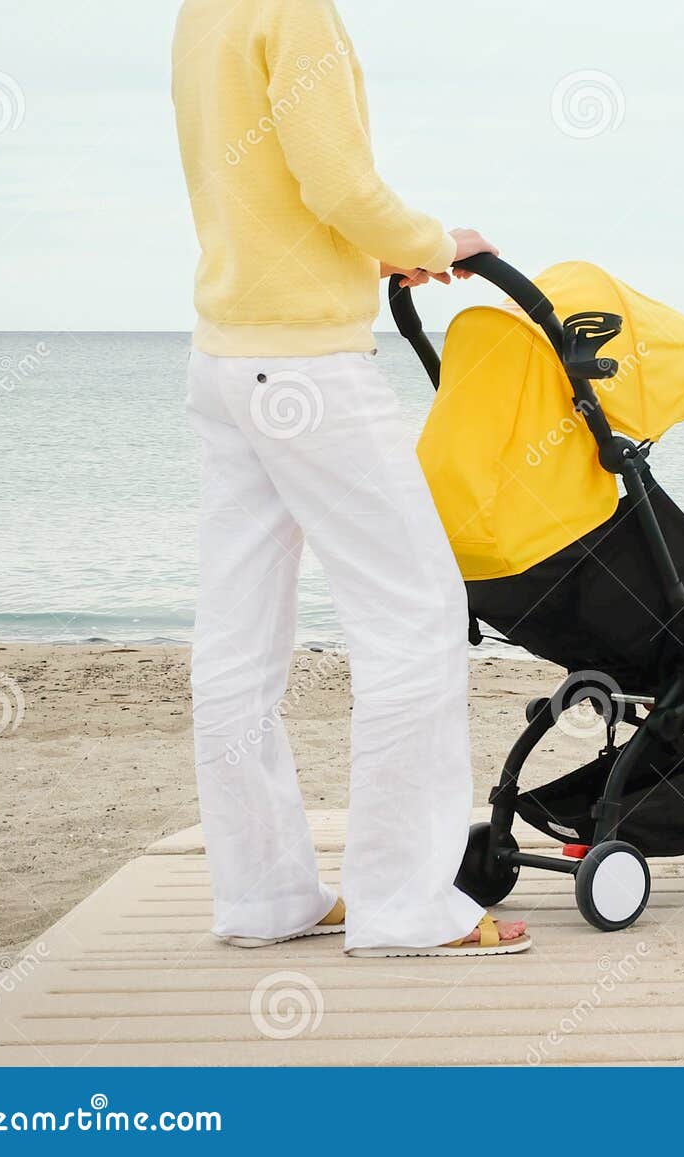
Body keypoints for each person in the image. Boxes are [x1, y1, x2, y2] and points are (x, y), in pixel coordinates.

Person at [171, 0, 528, 957]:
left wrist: (373, 257)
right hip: (308, 370)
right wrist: (427, 241)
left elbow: (258, 190)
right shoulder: (296, 11)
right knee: (416, 612)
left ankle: (264, 894)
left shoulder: (205, 12)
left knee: (239, 639)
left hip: (225, 359)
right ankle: (405, 904)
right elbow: (335, 179)